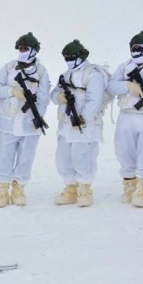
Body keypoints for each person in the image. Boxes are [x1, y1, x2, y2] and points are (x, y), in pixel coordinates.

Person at [0, 32, 50, 207]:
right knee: (4, 155)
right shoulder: (9, 68)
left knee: (26, 156)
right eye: (20, 48)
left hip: (29, 121)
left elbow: (43, 96)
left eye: (25, 48)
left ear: (33, 51)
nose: (22, 51)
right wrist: (11, 91)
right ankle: (2, 190)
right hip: (7, 120)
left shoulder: (41, 71)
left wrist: (37, 116)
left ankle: (19, 188)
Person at [50, 40, 107, 207]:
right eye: (66, 58)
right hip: (66, 124)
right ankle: (70, 187)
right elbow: (54, 93)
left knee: (81, 156)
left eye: (71, 57)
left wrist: (84, 118)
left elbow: (94, 100)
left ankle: (85, 188)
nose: (68, 60)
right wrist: (58, 98)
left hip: (84, 126)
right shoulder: (66, 75)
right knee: (63, 156)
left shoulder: (92, 74)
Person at [107, 30, 143, 207]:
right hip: (126, 114)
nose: (135, 50)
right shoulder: (126, 66)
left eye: (139, 47)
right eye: (132, 47)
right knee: (124, 151)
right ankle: (129, 186)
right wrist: (127, 85)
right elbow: (112, 86)